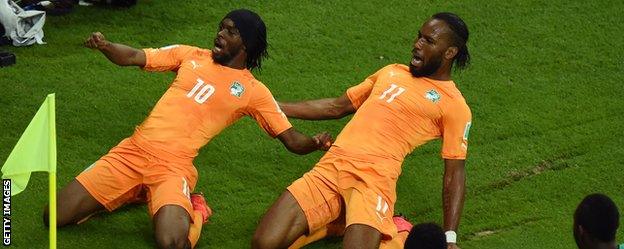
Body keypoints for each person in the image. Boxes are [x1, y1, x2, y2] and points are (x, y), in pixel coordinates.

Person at [42, 9, 332, 249]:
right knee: (52, 216)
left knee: (172, 243)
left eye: (230, 31)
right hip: (131, 152)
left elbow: (292, 140)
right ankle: (133, 192)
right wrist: (106, 46)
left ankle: (196, 209)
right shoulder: (189, 55)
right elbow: (134, 56)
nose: (219, 34)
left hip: (172, 168)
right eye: (221, 27)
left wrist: (314, 143)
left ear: (246, 45)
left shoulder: (253, 92)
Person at [252, 12, 472, 249]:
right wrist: (270, 105)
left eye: (428, 41)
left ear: (450, 52)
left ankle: (396, 231)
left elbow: (454, 173)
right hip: (333, 166)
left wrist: (450, 238)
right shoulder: (391, 71)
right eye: (419, 36)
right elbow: (337, 106)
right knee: (263, 243)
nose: (417, 44)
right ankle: (339, 220)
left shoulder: (454, 105)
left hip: (374, 182)